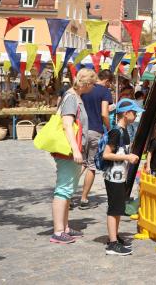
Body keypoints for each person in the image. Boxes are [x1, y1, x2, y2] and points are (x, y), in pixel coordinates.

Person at [49, 67, 96, 244]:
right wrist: (76, 149)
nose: (93, 87)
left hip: (72, 150)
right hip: (67, 151)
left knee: (68, 189)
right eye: (92, 83)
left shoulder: (75, 96)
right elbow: (67, 124)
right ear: (86, 83)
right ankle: (58, 231)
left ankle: (65, 227)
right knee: (63, 189)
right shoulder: (71, 97)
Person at [102, 99, 143, 255]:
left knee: (118, 208)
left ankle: (115, 236)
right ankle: (112, 244)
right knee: (114, 209)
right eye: (135, 113)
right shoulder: (116, 132)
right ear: (126, 114)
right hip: (113, 176)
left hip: (120, 176)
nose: (136, 115)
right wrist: (128, 157)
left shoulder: (125, 130)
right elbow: (106, 154)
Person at [78, 69, 115, 210]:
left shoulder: (84, 88)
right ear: (107, 81)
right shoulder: (104, 91)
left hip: (81, 130)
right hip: (95, 130)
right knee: (91, 165)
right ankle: (84, 199)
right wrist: (109, 128)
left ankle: (67, 195)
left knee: (80, 163)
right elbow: (104, 114)